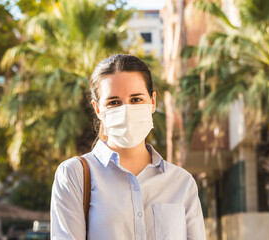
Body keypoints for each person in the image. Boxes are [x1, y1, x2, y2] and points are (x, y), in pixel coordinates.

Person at [50, 54, 206, 240]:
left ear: (153, 101)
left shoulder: (182, 182)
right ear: (98, 109)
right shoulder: (73, 175)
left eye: (136, 99)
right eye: (114, 102)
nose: (126, 110)